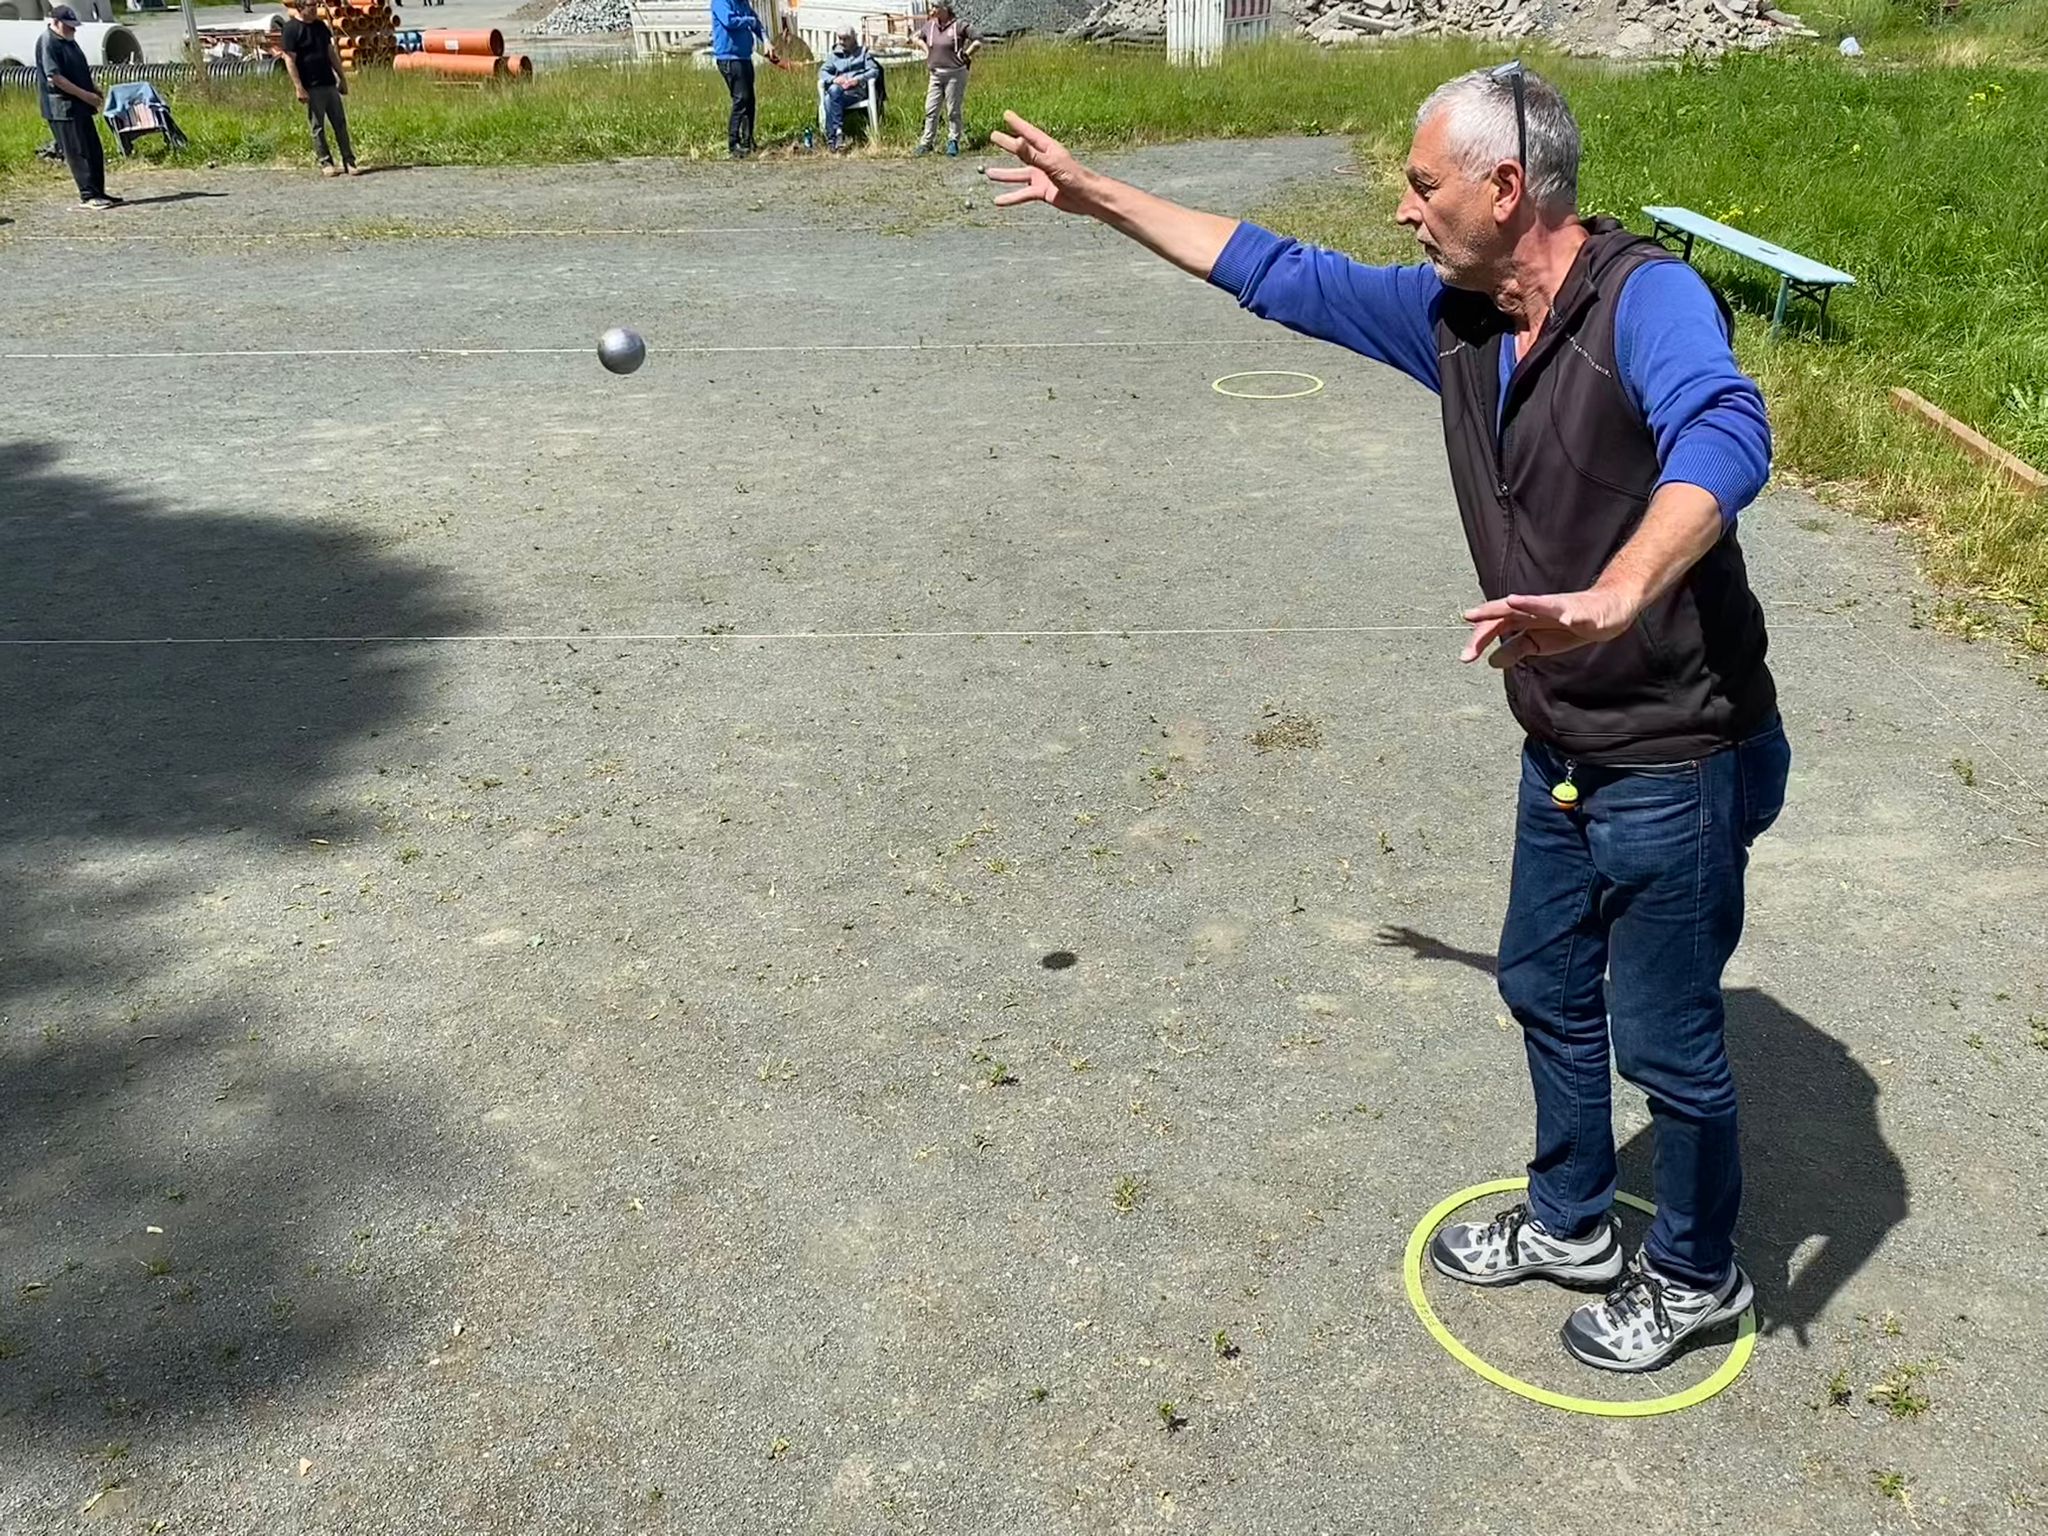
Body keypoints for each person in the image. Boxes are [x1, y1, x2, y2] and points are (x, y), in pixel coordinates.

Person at [987, 65, 1788, 1375]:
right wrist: (1100, 196)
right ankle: (1573, 1222)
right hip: (1565, 739)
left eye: (1423, 184)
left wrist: (1615, 595)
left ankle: (1697, 1273)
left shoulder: (1645, 301)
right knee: (1540, 983)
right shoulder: (1457, 320)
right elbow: (1275, 271)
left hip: (1680, 750)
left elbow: (1727, 428)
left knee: (1666, 1041)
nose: (1403, 208)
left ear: (1505, 187)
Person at [35, 6, 119, 212]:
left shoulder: (69, 41)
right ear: (55, 22)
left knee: (93, 149)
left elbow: (77, 69)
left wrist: (93, 89)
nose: (73, 30)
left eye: (74, 26)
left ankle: (99, 192)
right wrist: (85, 95)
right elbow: (56, 78)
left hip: (80, 105)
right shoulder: (48, 42)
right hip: (62, 108)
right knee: (78, 152)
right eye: (68, 26)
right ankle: (88, 195)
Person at [280, 0, 358, 177]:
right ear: (301, 7)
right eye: (311, 6)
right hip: (311, 86)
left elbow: (331, 52)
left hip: (328, 82)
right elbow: (290, 60)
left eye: (316, 5)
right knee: (318, 127)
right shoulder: (291, 29)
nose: (315, 9)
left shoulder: (320, 26)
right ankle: (326, 162)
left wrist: (342, 77)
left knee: (340, 124)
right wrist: (299, 87)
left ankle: (349, 161)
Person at [911, 0, 978, 158]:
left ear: (945, 8)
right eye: (932, 6)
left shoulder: (959, 25)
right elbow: (915, 37)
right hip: (935, 74)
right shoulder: (930, 26)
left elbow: (978, 40)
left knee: (953, 110)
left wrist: (966, 54)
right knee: (931, 109)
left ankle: (953, 141)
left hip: (955, 74)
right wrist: (926, 50)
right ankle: (926, 142)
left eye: (935, 6)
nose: (932, 9)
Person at [711, 0, 776, 159]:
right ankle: (734, 143)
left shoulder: (743, 3)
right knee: (741, 99)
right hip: (729, 58)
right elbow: (729, 21)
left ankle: (748, 141)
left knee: (750, 101)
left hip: (744, 56)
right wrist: (749, 20)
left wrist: (766, 40)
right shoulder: (720, 2)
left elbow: (756, 22)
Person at [819, 28, 879, 153]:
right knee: (832, 93)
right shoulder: (834, 55)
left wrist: (858, 79)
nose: (842, 42)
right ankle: (838, 134)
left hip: (855, 92)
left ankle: (832, 138)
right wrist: (834, 79)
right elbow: (822, 72)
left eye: (845, 39)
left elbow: (874, 71)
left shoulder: (863, 53)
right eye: (840, 38)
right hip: (839, 91)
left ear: (853, 39)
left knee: (829, 98)